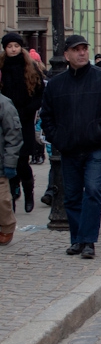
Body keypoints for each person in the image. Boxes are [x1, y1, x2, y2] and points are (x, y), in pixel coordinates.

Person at [39, 35, 101, 259]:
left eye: (84, 49)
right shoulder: (57, 84)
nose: (81, 53)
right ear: (66, 55)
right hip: (69, 149)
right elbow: (46, 116)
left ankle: (88, 240)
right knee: (71, 195)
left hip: (96, 147)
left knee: (93, 190)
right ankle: (77, 239)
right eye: (76, 50)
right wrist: (58, 138)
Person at [0, 33, 44, 213]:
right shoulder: (2, 67)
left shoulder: (31, 67)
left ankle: (28, 192)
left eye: (16, 46)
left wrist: (28, 111)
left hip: (24, 119)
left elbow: (39, 94)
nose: (13, 49)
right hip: (4, 120)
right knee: (7, 159)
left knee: (22, 160)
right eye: (9, 46)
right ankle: (12, 191)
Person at [0, 75, 22, 245]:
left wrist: (9, 162)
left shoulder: (4, 104)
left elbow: (13, 135)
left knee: (3, 200)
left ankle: (7, 227)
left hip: (1, 163)